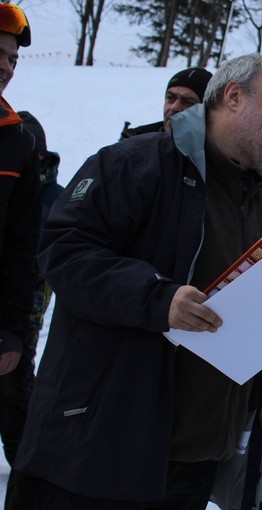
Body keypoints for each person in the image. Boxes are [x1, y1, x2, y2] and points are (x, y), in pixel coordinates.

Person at [8, 53, 262, 510]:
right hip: (99, 456)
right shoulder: (135, 164)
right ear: (233, 97)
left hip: (193, 467)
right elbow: (64, 251)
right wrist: (157, 298)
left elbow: (236, 309)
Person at [0, 2, 42, 467]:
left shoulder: (19, 141)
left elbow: (21, 247)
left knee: (16, 415)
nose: (6, 67)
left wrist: (12, 329)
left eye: (12, 58)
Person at [120, 66, 213, 139]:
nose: (174, 107)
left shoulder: (216, 158)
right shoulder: (133, 143)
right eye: (170, 97)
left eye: (188, 102)